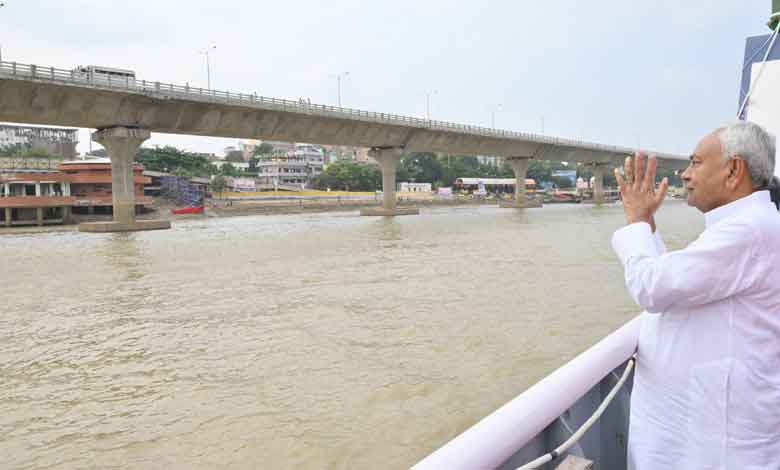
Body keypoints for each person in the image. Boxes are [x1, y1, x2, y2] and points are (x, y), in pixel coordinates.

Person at [611, 121, 780, 469]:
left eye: (696, 162)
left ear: (733, 170)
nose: (685, 175)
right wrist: (648, 226)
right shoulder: (748, 226)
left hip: (718, 442)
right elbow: (680, 283)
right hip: (705, 430)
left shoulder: (747, 230)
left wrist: (638, 221)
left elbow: (652, 287)